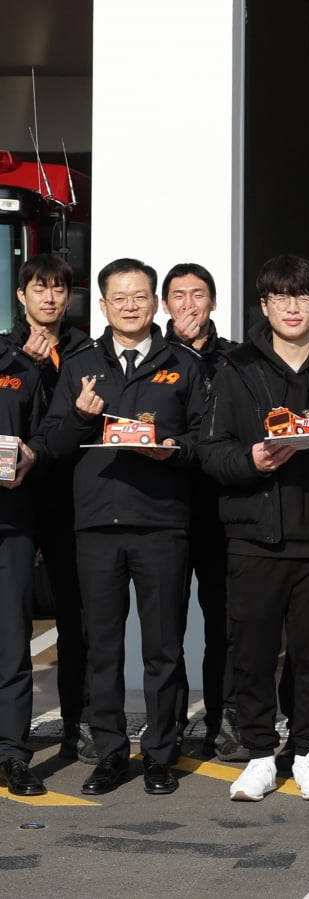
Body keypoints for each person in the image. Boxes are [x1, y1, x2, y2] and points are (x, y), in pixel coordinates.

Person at [199, 254, 309, 802]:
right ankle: (257, 753)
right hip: (255, 533)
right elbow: (210, 449)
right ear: (264, 305)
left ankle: (308, 751)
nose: (292, 307)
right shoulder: (235, 368)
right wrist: (250, 459)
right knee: (250, 651)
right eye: (281, 297)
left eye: (302, 297)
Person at [33, 257, 208, 796]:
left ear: (155, 303)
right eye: (120, 297)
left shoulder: (183, 363)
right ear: (103, 306)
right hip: (96, 526)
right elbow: (51, 445)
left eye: (140, 296)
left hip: (161, 524)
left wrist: (174, 448)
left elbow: (206, 438)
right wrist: (82, 417)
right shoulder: (80, 363)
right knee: (100, 646)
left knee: (162, 647)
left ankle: (161, 752)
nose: (131, 305)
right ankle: (109, 751)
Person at [3, 254, 95, 763]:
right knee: (12, 621)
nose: (50, 297)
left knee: (74, 617)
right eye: (39, 288)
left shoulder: (84, 350)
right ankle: (11, 735)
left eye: (59, 288)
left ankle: (75, 722)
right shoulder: (6, 352)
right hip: (14, 499)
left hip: (68, 499)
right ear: (22, 296)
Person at [162, 262, 240, 760]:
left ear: (213, 302)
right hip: (164, 507)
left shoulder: (236, 359)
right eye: (179, 296)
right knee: (164, 626)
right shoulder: (150, 358)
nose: (189, 304)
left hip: (221, 507)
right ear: (165, 305)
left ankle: (224, 719)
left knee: (225, 624)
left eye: (198, 295)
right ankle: (166, 724)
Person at [0, 339, 44, 796]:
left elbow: (44, 433)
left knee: (13, 644)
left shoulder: (19, 367)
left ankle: (13, 752)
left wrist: (33, 454)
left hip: (10, 524)